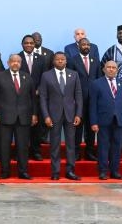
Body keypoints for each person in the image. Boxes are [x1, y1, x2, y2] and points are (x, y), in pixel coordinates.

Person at [0, 54, 38, 180]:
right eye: (13, 61)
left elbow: (33, 98)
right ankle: (5, 171)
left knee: (22, 147)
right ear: (8, 62)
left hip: (24, 117)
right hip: (5, 117)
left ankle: (23, 171)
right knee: (4, 146)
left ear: (21, 63)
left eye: (18, 61)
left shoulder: (27, 77)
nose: (15, 63)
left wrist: (34, 114)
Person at [38, 52, 82, 181]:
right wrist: (46, 116)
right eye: (58, 59)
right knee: (55, 145)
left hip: (70, 115)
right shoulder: (46, 76)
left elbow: (78, 96)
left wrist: (78, 114)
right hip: (53, 115)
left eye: (63, 59)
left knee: (70, 144)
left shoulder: (74, 75)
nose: (60, 61)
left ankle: (70, 171)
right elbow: (43, 97)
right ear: (53, 61)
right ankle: (55, 172)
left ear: (66, 61)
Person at [89, 61, 122, 180]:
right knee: (103, 146)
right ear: (104, 69)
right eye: (109, 67)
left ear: (117, 70)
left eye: (114, 67)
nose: (111, 69)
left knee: (117, 147)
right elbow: (92, 105)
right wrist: (94, 122)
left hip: (119, 121)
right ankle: (103, 171)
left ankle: (114, 171)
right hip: (103, 121)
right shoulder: (96, 84)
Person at [68, 37, 101, 161]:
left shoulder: (96, 61)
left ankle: (90, 152)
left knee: (91, 128)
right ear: (79, 47)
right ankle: (76, 153)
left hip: (93, 100)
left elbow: (99, 80)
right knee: (77, 128)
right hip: (78, 100)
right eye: (83, 45)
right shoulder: (72, 60)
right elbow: (70, 81)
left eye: (88, 45)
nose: (86, 46)